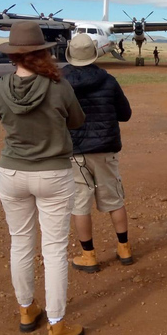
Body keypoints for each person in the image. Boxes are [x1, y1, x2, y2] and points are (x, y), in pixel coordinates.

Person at [0, 21, 86, 335]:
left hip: (12, 173)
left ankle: (27, 309)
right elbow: (77, 121)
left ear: (14, 54)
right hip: (53, 175)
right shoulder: (59, 87)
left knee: (20, 244)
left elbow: (3, 118)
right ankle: (57, 327)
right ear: (41, 52)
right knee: (55, 250)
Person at [62, 34, 134, 273]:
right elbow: (125, 114)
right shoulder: (109, 80)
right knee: (114, 199)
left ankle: (88, 255)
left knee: (80, 203)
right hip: (105, 149)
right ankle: (124, 249)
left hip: (75, 152)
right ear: (94, 54)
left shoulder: (60, 83)